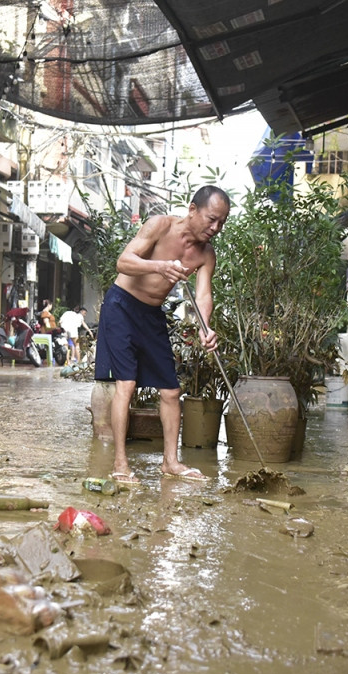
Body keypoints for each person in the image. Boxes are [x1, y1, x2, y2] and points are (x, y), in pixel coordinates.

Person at [93, 185, 230, 485]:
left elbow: (204, 295)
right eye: (211, 219)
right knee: (126, 384)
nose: (215, 228)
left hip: (152, 315)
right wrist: (160, 266)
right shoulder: (160, 225)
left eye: (221, 222)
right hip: (121, 306)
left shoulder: (206, 255)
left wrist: (206, 327)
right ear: (193, 209)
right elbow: (123, 262)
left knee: (170, 391)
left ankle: (171, 462)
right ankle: (120, 463)